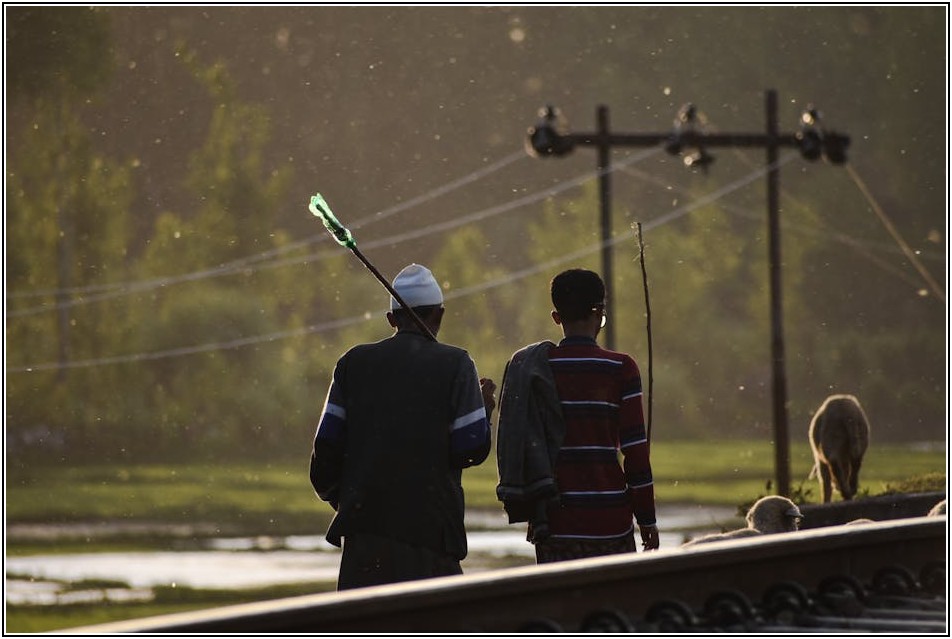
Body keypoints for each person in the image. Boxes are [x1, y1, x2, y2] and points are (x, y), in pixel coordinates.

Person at [309, 263, 496, 590]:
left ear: (392, 320)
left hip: (363, 541)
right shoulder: (456, 364)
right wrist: (483, 410)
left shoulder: (352, 363)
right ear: (440, 314)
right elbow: (471, 449)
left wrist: (353, 501)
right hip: (432, 538)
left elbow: (324, 454)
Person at [496, 268, 659, 564]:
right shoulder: (621, 369)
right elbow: (636, 455)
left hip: (556, 523)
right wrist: (647, 519)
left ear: (556, 317)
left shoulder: (537, 371)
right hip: (611, 524)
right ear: (599, 313)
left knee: (563, 609)